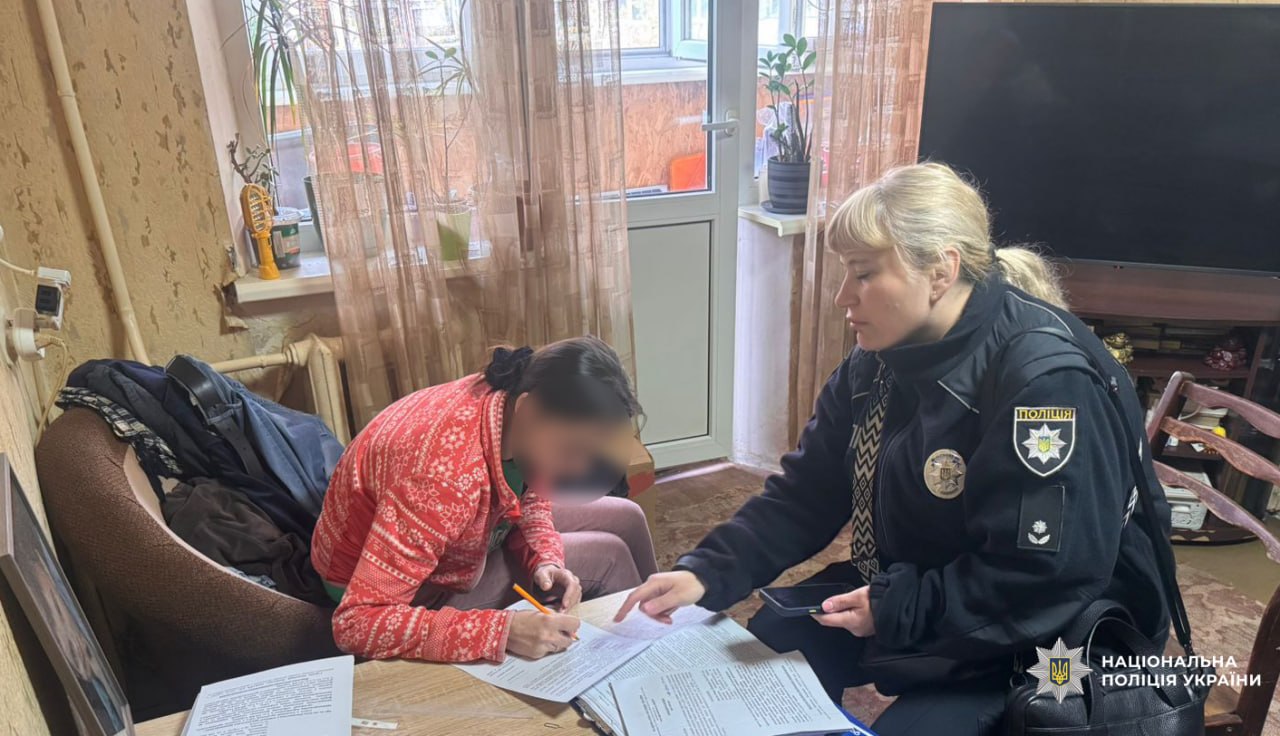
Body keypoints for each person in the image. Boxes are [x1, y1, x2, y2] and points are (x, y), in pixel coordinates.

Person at [616, 163, 1172, 735]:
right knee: (772, 646)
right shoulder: (877, 361)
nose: (842, 296)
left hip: (1059, 634)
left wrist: (896, 608)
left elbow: (1047, 573)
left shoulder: (1045, 386)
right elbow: (806, 495)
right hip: (935, 583)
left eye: (863, 274)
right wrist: (708, 573)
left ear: (940, 271)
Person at [313, 336, 658, 663]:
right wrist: (503, 632)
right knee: (610, 554)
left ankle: (661, 639)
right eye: (571, 450)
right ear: (527, 410)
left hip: (439, 536)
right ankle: (640, 663)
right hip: (384, 586)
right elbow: (357, 624)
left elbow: (526, 492)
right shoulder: (443, 479)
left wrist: (544, 559)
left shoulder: (512, 395)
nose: (580, 468)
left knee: (628, 516)